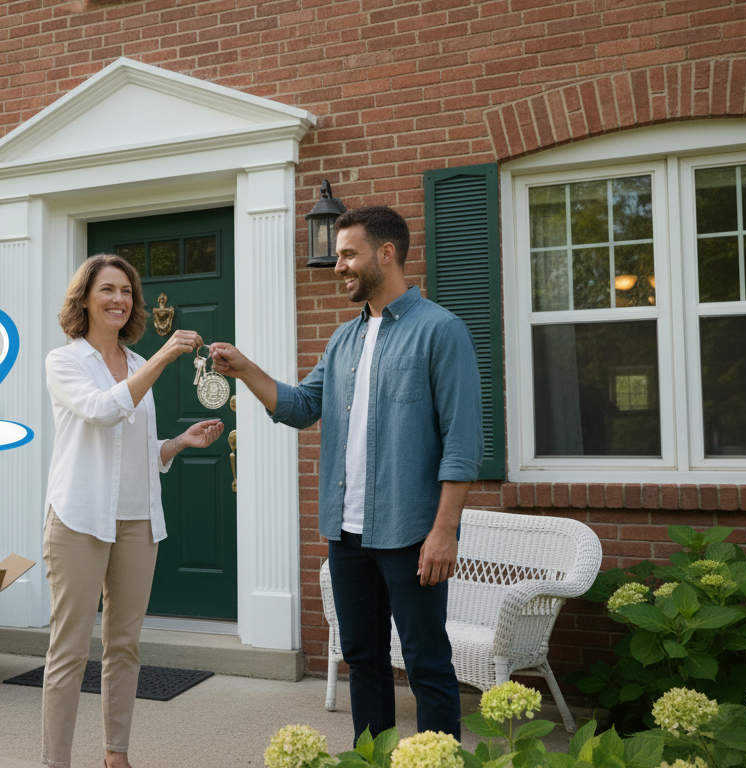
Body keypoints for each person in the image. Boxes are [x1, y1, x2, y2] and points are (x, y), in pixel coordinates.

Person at [211, 206, 483, 743]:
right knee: (363, 659)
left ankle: (439, 760)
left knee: (426, 662)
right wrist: (244, 369)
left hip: (412, 531)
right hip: (347, 534)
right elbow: (300, 406)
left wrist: (444, 531)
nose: (339, 267)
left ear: (386, 254)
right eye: (338, 256)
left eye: (348, 254)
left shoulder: (441, 331)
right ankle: (373, 757)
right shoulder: (344, 340)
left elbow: (463, 442)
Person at [41, 253, 225, 768]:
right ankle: (56, 760)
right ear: (85, 299)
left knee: (124, 646)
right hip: (78, 519)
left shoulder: (140, 364)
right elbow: (102, 411)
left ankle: (115, 755)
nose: (119, 299)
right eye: (107, 289)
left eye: (126, 290)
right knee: (69, 651)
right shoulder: (65, 361)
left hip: (138, 523)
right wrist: (166, 357)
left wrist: (175, 444)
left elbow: (136, 450)